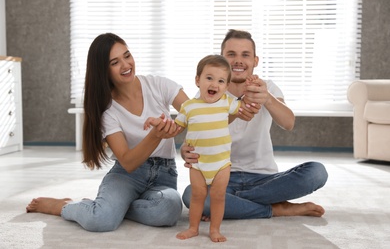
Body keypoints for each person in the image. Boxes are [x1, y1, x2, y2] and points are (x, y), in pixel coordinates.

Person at [25, 32, 189, 232]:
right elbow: (128, 162)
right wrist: (156, 135)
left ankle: (111, 207)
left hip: (165, 173)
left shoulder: (159, 85)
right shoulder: (107, 110)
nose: (126, 65)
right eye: (115, 62)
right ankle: (65, 206)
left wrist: (180, 128)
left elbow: (196, 114)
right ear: (103, 70)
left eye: (127, 55)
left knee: (168, 210)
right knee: (101, 220)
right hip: (127, 176)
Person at [181, 29, 328, 220]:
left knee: (317, 172)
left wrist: (266, 98)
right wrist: (185, 150)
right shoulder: (207, 93)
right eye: (231, 54)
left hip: (265, 178)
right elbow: (191, 141)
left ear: (255, 61)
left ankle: (230, 204)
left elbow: (289, 123)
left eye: (245, 55)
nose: (238, 60)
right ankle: (275, 209)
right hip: (221, 178)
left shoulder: (267, 88)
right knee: (189, 194)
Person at [144, 55, 258, 242]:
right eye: (209, 78)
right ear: (198, 80)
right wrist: (159, 122)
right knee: (197, 196)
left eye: (221, 81)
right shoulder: (189, 107)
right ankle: (193, 228)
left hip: (221, 163)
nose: (215, 84)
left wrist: (250, 89)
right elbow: (174, 128)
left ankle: (215, 229)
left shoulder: (227, 103)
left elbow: (247, 107)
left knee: (218, 196)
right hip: (198, 163)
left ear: (227, 86)